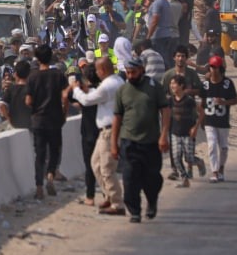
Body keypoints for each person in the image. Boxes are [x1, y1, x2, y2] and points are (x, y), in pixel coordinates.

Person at [111, 57, 170, 223]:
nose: (130, 76)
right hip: (129, 142)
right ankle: (135, 211)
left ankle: (152, 201)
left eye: (133, 72)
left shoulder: (154, 88)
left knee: (152, 179)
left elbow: (165, 111)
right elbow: (117, 118)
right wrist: (113, 144)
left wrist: (164, 135)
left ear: (142, 70)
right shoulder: (122, 91)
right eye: (128, 72)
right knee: (130, 179)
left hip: (151, 142)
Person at [70, 57, 126, 215]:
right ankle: (109, 195)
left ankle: (117, 203)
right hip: (105, 131)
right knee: (95, 164)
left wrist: (75, 89)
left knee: (106, 168)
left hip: (110, 131)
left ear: (103, 70)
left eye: (98, 70)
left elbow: (87, 101)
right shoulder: (117, 81)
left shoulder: (108, 85)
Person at [25, 43, 69, 200]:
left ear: (37, 59)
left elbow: (28, 101)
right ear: (51, 58)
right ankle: (51, 175)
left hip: (38, 121)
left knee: (40, 155)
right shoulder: (58, 75)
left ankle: (39, 189)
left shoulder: (32, 77)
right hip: (55, 119)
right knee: (55, 151)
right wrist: (64, 113)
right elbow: (65, 96)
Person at [199, 55, 237, 182]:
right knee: (211, 145)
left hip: (222, 122)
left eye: (216, 67)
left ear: (220, 68)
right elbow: (202, 102)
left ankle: (221, 167)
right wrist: (200, 119)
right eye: (212, 67)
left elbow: (235, 100)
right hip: (209, 121)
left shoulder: (227, 84)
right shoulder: (205, 85)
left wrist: (224, 102)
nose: (214, 70)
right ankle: (214, 172)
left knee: (223, 147)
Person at [166, 75, 199, 188]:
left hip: (188, 133)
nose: (172, 86)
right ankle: (185, 178)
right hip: (175, 133)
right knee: (176, 157)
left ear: (181, 85)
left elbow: (200, 113)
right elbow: (167, 115)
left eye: (174, 83)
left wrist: (195, 127)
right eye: (171, 84)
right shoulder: (170, 100)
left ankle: (198, 162)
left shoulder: (189, 100)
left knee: (189, 158)